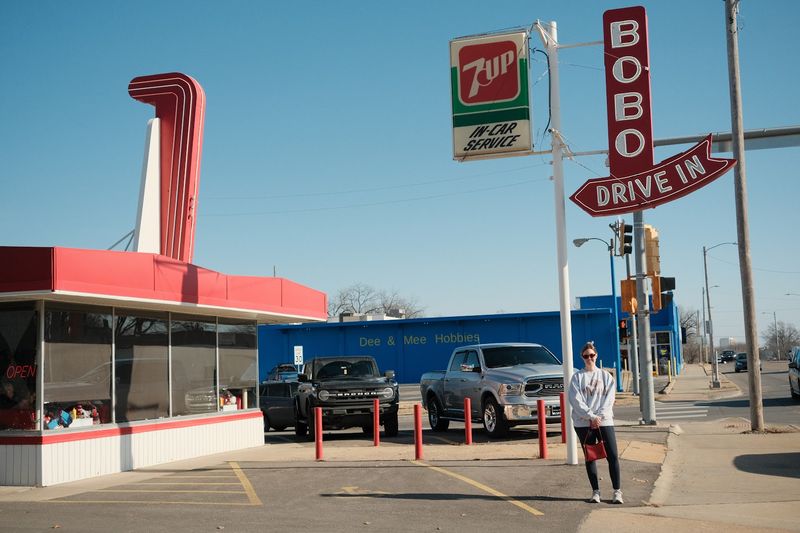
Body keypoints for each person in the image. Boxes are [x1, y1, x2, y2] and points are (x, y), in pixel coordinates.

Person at [568, 341, 623, 504]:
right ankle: (596, 492)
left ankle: (617, 492)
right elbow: (575, 400)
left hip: (604, 421)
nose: (589, 358)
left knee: (612, 455)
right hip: (583, 423)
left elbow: (609, 399)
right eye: (586, 356)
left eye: (592, 355)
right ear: (582, 357)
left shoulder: (605, 376)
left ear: (596, 356)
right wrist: (591, 417)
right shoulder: (577, 377)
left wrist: (598, 417)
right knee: (590, 457)